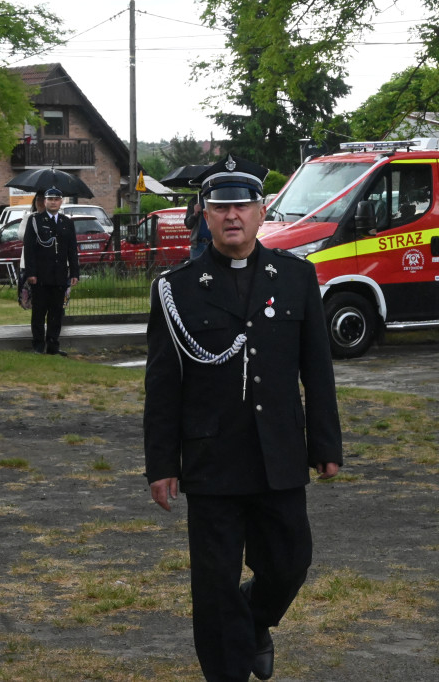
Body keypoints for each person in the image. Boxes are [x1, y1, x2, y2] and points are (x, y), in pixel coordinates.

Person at [143, 154, 343, 682]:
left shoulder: (298, 277)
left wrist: (326, 444)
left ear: (262, 212)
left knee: (289, 562)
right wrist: (161, 463)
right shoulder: (177, 288)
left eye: (243, 206)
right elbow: (163, 386)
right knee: (213, 585)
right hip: (211, 460)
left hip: (279, 454)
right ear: (204, 216)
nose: (232, 216)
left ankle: (254, 621)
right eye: (220, 207)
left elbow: (317, 370)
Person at [22, 187, 79, 355]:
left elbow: (72, 250)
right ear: (45, 201)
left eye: (56, 199)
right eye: (50, 199)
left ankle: (53, 345)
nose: (53, 202)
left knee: (56, 312)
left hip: (59, 275)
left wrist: (75, 272)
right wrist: (31, 273)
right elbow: (29, 250)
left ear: (61, 202)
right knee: (39, 312)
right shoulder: (35, 221)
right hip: (40, 275)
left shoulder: (66, 222)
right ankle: (38, 345)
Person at [185, 195, 211, 260]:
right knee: (196, 269)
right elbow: (188, 224)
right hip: (198, 246)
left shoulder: (217, 196)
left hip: (214, 246)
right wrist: (195, 214)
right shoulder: (195, 201)